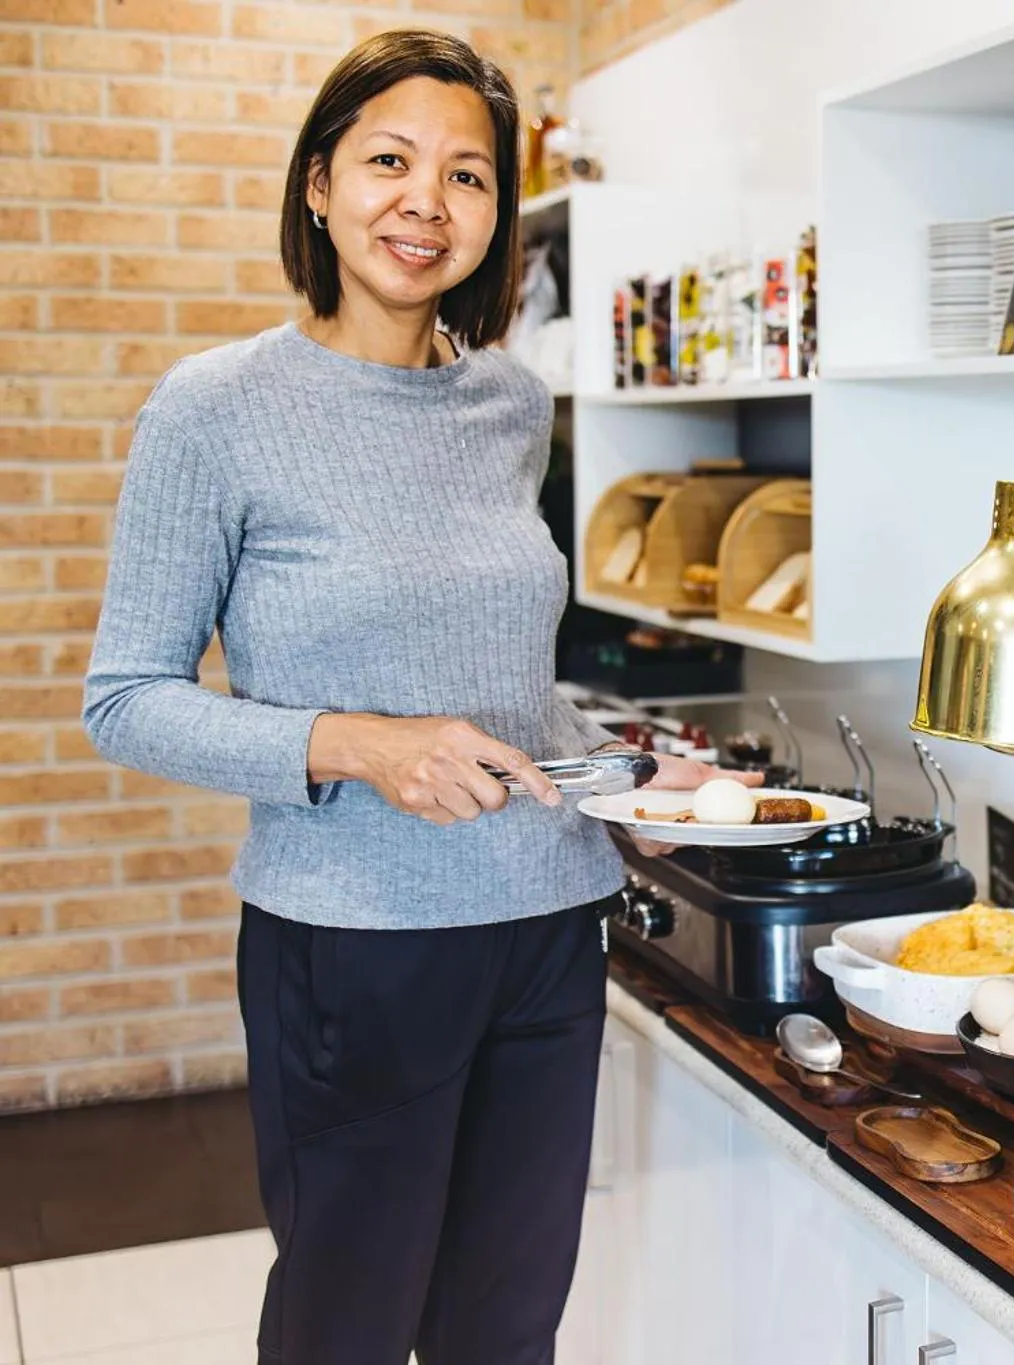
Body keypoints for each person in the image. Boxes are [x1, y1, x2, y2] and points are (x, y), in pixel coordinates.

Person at [80, 30, 750, 1364]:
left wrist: (628, 771)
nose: (426, 203)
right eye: (389, 161)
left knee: (507, 1325)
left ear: (499, 210)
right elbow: (127, 698)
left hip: (549, 925)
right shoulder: (213, 412)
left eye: (467, 175)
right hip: (356, 946)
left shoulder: (512, 403)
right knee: (347, 1328)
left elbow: (499, 681)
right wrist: (356, 746)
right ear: (319, 184)